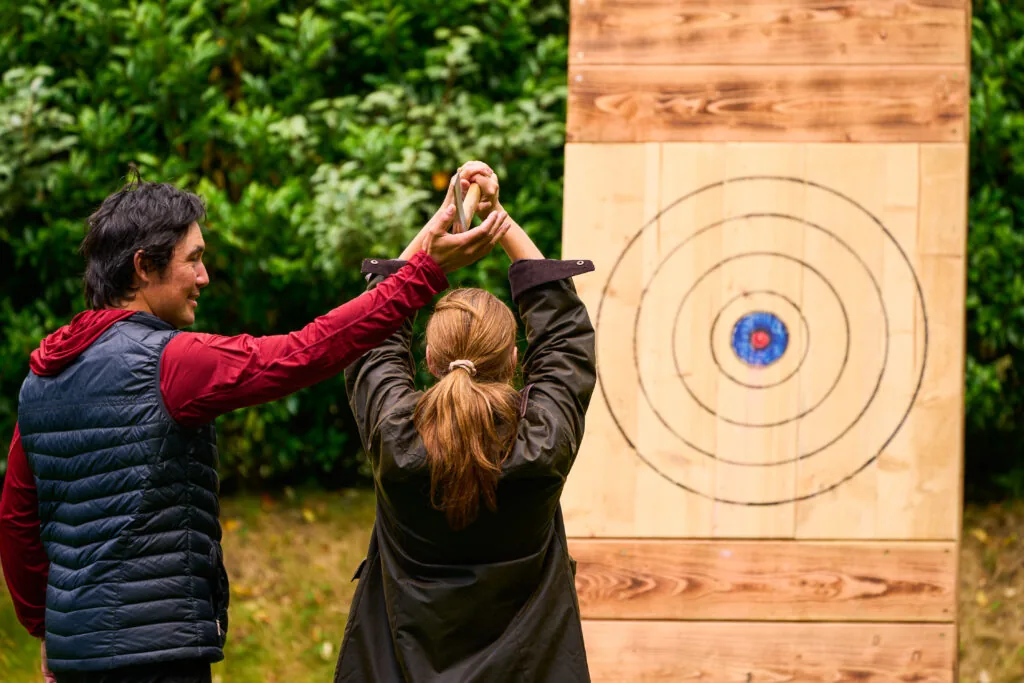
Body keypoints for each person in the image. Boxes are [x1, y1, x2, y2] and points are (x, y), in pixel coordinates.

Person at [0, 165, 511, 683]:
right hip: (156, 659)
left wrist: (45, 628)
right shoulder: (171, 364)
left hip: (77, 656)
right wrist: (424, 275)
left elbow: (16, 521)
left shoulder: (43, 377)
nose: (204, 276)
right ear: (143, 268)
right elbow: (307, 350)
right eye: (193, 260)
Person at [335, 162, 597, 682]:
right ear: (516, 363)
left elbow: (371, 328)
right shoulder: (540, 445)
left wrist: (443, 223)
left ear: (429, 359)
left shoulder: (397, 437)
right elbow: (566, 336)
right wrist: (498, 220)